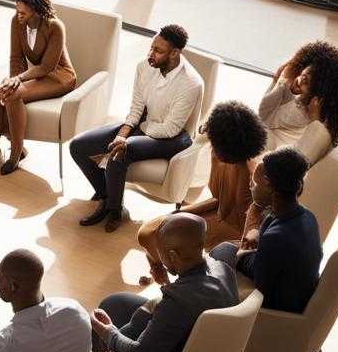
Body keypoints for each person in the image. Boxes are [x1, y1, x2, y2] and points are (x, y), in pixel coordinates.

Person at [91, 213, 238, 352]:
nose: (157, 258)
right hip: (204, 349)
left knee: (103, 328)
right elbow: (196, 292)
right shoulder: (221, 267)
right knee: (114, 303)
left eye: (159, 254)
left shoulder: (177, 300)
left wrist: (109, 333)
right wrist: (167, 285)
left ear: (172, 255)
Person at [71, 25, 202, 232]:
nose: (151, 54)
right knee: (78, 146)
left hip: (173, 138)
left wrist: (135, 131)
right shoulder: (145, 67)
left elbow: (170, 129)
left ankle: (115, 211)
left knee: (120, 152)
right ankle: (106, 197)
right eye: (151, 47)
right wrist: (124, 133)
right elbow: (136, 109)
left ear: (175, 53)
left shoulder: (192, 83)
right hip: (144, 125)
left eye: (158, 51)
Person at [240, 40, 338, 247]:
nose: (301, 77)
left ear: (320, 91)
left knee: (230, 151)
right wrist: (283, 82)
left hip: (265, 204)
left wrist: (282, 83)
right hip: (265, 186)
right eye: (303, 71)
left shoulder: (318, 129)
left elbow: (283, 177)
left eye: (307, 79)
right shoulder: (314, 112)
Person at [137, 102, 267, 285]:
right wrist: (180, 213)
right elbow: (218, 198)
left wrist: (185, 218)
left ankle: (179, 281)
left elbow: (241, 216)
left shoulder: (250, 171)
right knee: (147, 232)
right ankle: (162, 275)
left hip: (235, 227)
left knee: (169, 237)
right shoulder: (217, 155)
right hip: (219, 210)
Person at [212, 148, 321, 314]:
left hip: (275, 306)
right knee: (225, 248)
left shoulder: (276, 237)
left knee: (219, 254)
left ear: (270, 186)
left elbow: (261, 283)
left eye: (254, 184)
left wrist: (242, 253)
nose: (251, 187)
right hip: (290, 284)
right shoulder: (307, 216)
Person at [0, 0, 76, 175]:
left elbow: (47, 66)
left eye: (23, 12)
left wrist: (18, 80)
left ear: (36, 10)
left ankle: (16, 152)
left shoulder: (55, 26)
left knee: (13, 93)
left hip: (60, 76)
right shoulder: (17, 22)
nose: (19, 15)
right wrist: (12, 83)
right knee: (0, 88)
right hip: (38, 75)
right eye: (17, 10)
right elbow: (16, 58)